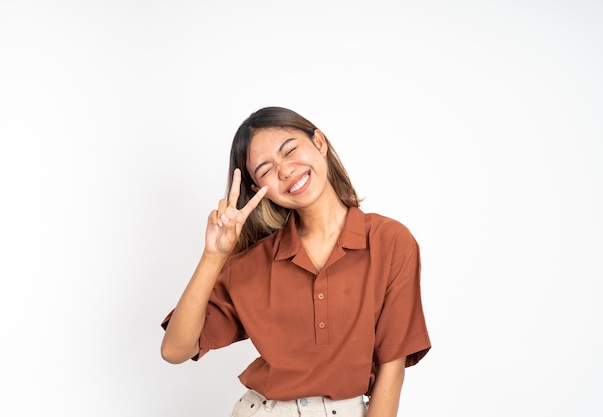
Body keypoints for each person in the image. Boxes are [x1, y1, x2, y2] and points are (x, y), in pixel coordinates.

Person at [160, 106, 431, 417]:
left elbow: (392, 366)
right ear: (258, 191)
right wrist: (213, 257)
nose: (285, 170)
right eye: (265, 170)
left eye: (289, 150)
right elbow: (175, 350)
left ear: (319, 142)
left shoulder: (390, 241)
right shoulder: (255, 263)